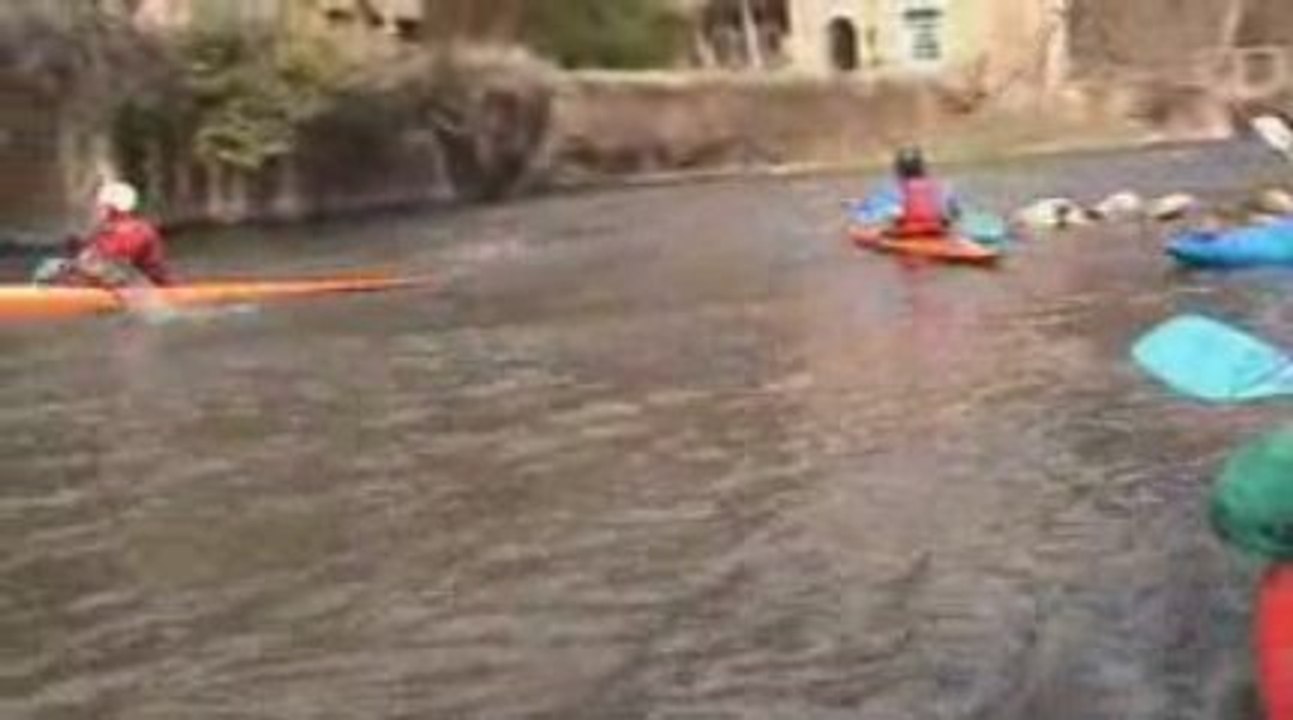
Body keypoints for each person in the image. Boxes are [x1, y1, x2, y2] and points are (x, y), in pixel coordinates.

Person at [33, 181, 171, 287]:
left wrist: (74, 268)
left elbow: (117, 265)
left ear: (111, 208)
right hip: (119, 281)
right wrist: (77, 248)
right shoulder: (108, 230)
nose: (97, 208)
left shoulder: (136, 230)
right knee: (51, 266)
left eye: (100, 205)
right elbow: (97, 259)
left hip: (150, 288)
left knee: (57, 268)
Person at [890, 146, 961, 238]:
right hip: (938, 229)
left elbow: (896, 215)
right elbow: (955, 212)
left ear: (900, 170)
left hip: (909, 231)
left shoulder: (899, 188)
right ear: (922, 167)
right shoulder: (939, 184)